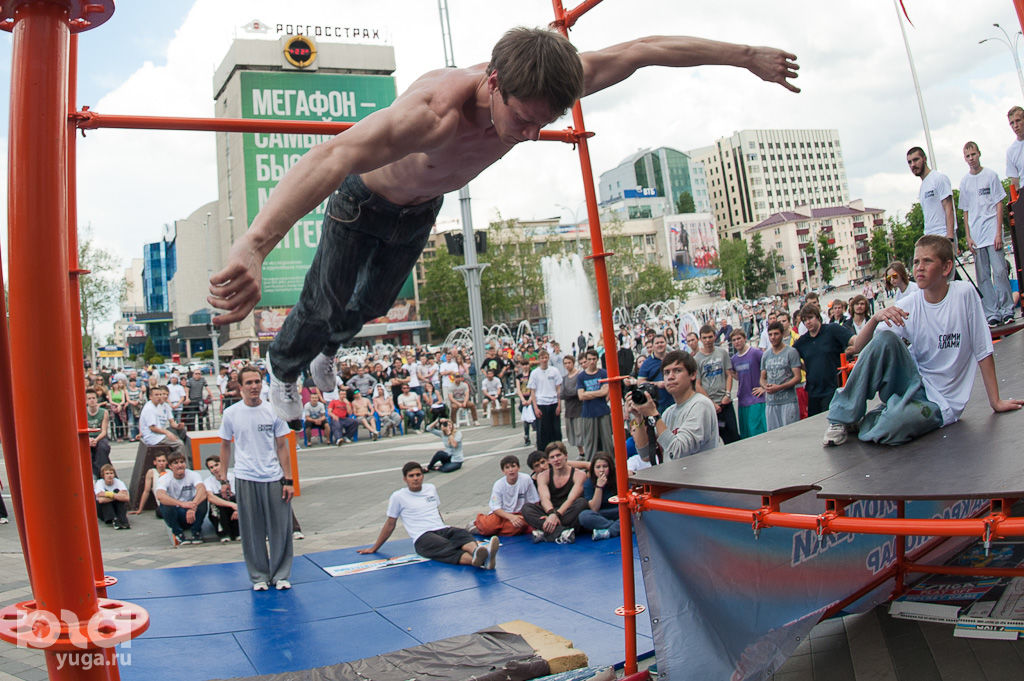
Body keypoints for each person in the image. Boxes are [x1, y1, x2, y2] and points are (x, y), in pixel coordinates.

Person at [206, 26, 800, 421]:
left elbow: (643, 50)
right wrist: (256, 245)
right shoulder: (433, 114)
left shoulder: (549, 79)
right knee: (325, 301)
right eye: (521, 119)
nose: (530, 134)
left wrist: (745, 55)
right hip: (364, 203)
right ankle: (284, 367)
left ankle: (327, 351)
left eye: (543, 123)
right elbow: (331, 156)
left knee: (375, 303)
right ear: (492, 82)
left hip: (421, 209)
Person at [823, 235, 1024, 447]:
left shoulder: (963, 294)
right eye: (916, 261)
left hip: (942, 402)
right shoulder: (909, 304)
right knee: (885, 338)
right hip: (913, 381)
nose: (919, 267)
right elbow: (860, 347)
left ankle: (876, 417)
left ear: (946, 267)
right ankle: (841, 418)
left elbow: (983, 349)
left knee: (893, 426)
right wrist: (874, 318)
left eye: (927, 261)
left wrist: (995, 401)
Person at [218, 365, 296, 590]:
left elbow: (282, 446)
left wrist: (288, 480)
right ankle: (259, 576)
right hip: (245, 477)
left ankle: (280, 574)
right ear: (240, 387)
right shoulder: (231, 413)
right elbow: (225, 446)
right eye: (249, 383)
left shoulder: (274, 411)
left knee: (280, 529)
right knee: (252, 531)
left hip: (273, 477)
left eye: (257, 382)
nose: (254, 386)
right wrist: (224, 478)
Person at [358, 462, 499, 569]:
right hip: (422, 536)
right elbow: (390, 524)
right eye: (411, 476)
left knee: (461, 534)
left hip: (441, 529)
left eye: (418, 475)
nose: (415, 478)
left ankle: (478, 553)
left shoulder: (430, 488)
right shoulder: (398, 496)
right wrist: (374, 548)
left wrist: (445, 528)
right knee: (445, 546)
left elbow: (436, 511)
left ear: (423, 476)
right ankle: (479, 561)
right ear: (405, 479)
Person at [959, 141, 1014, 327]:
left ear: (979, 154)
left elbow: (999, 204)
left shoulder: (991, 175)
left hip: (992, 231)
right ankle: (992, 312)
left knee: (1000, 271)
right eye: (968, 156)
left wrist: (998, 232)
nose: (971, 159)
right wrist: (968, 236)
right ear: (965, 158)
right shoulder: (965, 182)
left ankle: (1007, 309)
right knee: (983, 277)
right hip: (977, 235)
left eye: (973, 154)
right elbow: (965, 211)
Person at [629, 350, 720, 462]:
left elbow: (679, 451)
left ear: (693, 374)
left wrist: (654, 414)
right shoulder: (668, 413)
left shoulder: (701, 405)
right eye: (666, 372)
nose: (670, 377)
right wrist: (639, 418)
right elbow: (646, 455)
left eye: (677, 371)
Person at [793, 303, 854, 417]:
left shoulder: (832, 329)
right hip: (814, 391)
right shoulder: (802, 342)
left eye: (810, 318)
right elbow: (791, 357)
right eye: (804, 320)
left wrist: (851, 350)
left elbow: (853, 340)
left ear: (818, 317)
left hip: (834, 388)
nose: (808, 322)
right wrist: (806, 368)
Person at [521, 442, 588, 544]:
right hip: (550, 512)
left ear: (566, 456)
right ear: (548, 460)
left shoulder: (579, 474)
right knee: (526, 508)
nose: (556, 459)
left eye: (558, 455)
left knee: (582, 503)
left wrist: (556, 515)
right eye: (552, 457)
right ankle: (562, 532)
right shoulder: (543, 476)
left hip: (568, 512)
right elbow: (545, 499)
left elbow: (571, 499)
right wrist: (551, 514)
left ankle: (546, 532)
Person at [471, 455, 540, 536]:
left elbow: (534, 501)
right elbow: (496, 508)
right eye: (507, 467)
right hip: (501, 515)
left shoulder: (526, 479)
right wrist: (510, 517)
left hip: (519, 514)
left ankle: (492, 531)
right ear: (503, 471)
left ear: (518, 467)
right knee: (488, 526)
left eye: (513, 466)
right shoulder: (498, 484)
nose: (511, 470)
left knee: (518, 526)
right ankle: (478, 523)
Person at [695, 324, 740, 444]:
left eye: (710, 337)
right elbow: (697, 384)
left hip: (725, 402)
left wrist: (728, 394)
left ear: (715, 336)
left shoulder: (722, 353)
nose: (707, 340)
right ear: (700, 339)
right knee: (713, 440)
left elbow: (728, 374)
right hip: (710, 406)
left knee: (733, 437)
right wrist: (711, 403)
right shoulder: (697, 359)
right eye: (704, 338)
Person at [155, 452, 208, 546]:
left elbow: (202, 489)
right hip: (177, 512)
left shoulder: (193, 474)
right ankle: (178, 534)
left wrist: (193, 506)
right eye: (176, 463)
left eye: (182, 462)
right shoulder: (165, 478)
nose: (180, 465)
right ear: (170, 466)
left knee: (203, 499)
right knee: (164, 504)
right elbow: (160, 495)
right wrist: (182, 504)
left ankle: (196, 532)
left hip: (192, 511)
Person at [760, 321, 802, 430]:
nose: (773, 337)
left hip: (788, 401)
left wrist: (779, 387)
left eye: (776, 334)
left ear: (782, 334)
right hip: (771, 403)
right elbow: (762, 377)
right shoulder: (766, 355)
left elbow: (798, 377)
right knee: (774, 434)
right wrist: (765, 386)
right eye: (770, 334)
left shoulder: (791, 352)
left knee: (790, 432)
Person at [576, 349, 614, 460]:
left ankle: (610, 462)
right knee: (590, 442)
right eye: (589, 359)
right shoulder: (581, 376)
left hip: (603, 411)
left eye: (594, 359)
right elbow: (581, 396)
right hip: (588, 413)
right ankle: (591, 464)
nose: (592, 362)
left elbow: (605, 391)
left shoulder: (603, 373)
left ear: (597, 359)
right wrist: (598, 393)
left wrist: (588, 394)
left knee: (607, 441)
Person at [729, 328, 766, 439]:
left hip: (756, 399)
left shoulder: (756, 353)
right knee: (746, 435)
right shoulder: (734, 359)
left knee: (757, 432)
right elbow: (738, 376)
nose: (737, 342)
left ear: (745, 338)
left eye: (739, 338)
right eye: (734, 340)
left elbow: (768, 369)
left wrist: (764, 388)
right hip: (743, 400)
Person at [578, 452, 620, 541]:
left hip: (619, 511)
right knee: (584, 516)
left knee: (633, 514)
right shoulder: (589, 483)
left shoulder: (618, 478)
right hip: (601, 514)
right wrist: (599, 487)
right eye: (598, 467)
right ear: (593, 469)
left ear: (610, 467)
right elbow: (594, 508)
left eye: (605, 466)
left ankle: (609, 531)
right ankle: (617, 528)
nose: (602, 470)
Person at [528, 349, 563, 450]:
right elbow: (532, 391)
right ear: (539, 359)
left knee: (556, 430)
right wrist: (535, 408)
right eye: (542, 358)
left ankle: (558, 450)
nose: (544, 360)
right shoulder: (534, 373)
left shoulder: (554, 371)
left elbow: (558, 389)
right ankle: (543, 452)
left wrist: (559, 405)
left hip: (553, 402)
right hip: (541, 404)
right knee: (542, 431)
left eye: (546, 358)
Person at [138, 385, 187, 456]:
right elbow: (152, 428)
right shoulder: (149, 408)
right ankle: (177, 460)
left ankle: (173, 456)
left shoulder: (166, 406)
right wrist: (167, 433)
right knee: (179, 444)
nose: (159, 397)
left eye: (160, 395)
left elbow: (172, 422)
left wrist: (178, 426)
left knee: (182, 431)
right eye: (156, 395)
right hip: (153, 437)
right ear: (150, 397)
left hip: (160, 433)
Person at [202, 456, 239, 543]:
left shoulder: (233, 477)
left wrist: (238, 508)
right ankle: (224, 534)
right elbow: (210, 497)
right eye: (211, 467)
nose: (215, 469)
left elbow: (242, 496)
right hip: (222, 510)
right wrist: (232, 505)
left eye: (216, 465)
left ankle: (238, 533)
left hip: (236, 507)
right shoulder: (207, 481)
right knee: (215, 503)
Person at [637, 334, 674, 413]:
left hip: (676, 401)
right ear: (653, 346)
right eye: (657, 343)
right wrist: (657, 384)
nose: (660, 345)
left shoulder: (673, 359)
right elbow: (640, 382)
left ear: (666, 344)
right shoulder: (647, 363)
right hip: (658, 405)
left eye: (662, 342)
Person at [558, 356, 585, 459]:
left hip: (579, 408)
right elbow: (562, 394)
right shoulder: (565, 378)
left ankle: (586, 451)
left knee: (581, 431)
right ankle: (581, 452)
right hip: (569, 409)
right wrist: (569, 393)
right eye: (565, 363)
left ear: (573, 363)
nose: (567, 365)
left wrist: (570, 393)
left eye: (569, 362)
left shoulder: (579, 375)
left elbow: (577, 392)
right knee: (573, 432)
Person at [129, 451, 168, 517]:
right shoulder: (151, 472)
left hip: (173, 501)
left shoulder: (170, 472)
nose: (161, 463)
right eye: (159, 461)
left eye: (163, 461)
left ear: (166, 462)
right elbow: (146, 491)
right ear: (155, 462)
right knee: (160, 512)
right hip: (162, 504)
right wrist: (140, 509)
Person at [85, 388, 112, 479]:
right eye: (89, 398)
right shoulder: (82, 412)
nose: (92, 400)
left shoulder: (104, 412)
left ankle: (102, 473)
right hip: (87, 437)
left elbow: (104, 431)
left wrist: (96, 440)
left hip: (99, 437)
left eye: (93, 398)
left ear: (97, 399)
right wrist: (89, 440)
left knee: (103, 448)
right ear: (86, 400)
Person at [94, 464, 131, 530]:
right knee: (116, 494)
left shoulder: (118, 482)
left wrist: (110, 495)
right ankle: (114, 519)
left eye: (111, 473)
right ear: (103, 475)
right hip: (103, 512)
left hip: (116, 507)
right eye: (107, 473)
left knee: (116, 492)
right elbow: (101, 500)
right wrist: (116, 495)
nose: (109, 475)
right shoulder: (99, 483)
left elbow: (127, 498)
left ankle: (123, 520)